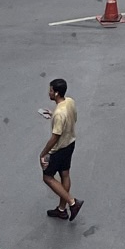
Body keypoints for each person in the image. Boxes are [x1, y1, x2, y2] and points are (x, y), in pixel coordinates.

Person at [40, 77, 82, 221]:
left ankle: (72, 203)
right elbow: (72, 118)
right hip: (70, 144)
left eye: (51, 91)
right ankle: (62, 210)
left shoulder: (59, 114)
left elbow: (55, 137)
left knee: (47, 177)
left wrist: (43, 153)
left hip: (58, 150)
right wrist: (52, 115)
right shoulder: (69, 102)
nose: (49, 93)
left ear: (57, 93)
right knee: (65, 174)